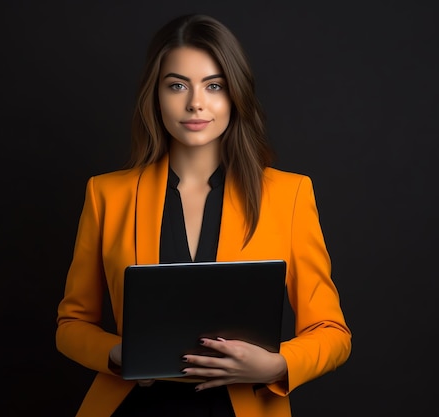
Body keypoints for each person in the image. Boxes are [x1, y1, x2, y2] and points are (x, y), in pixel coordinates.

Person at [56, 13, 351, 417]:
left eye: (214, 86)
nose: (195, 102)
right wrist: (116, 353)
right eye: (177, 85)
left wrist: (276, 365)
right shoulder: (107, 194)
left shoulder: (289, 194)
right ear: (155, 96)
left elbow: (332, 332)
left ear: (236, 96)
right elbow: (71, 325)